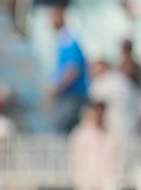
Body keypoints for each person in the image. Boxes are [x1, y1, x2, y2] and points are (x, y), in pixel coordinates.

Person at [47, 5, 89, 134]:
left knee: (60, 131)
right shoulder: (62, 40)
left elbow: (72, 70)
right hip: (69, 96)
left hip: (72, 96)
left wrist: (56, 88)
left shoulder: (69, 41)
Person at [89, 59, 141, 139]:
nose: (91, 70)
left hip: (114, 130)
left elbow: (96, 108)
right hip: (130, 129)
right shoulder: (125, 80)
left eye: (94, 66)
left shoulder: (102, 82)